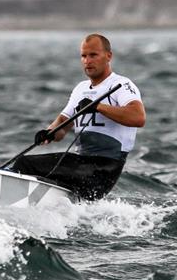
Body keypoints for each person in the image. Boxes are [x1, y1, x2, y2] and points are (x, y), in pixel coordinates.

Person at [11, 34, 145, 199]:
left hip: (104, 169)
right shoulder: (80, 89)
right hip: (81, 165)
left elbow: (138, 117)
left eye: (93, 55)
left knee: (25, 164)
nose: (87, 60)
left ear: (108, 56)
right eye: (84, 56)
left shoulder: (121, 85)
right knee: (33, 167)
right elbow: (63, 124)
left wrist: (98, 107)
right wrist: (49, 132)